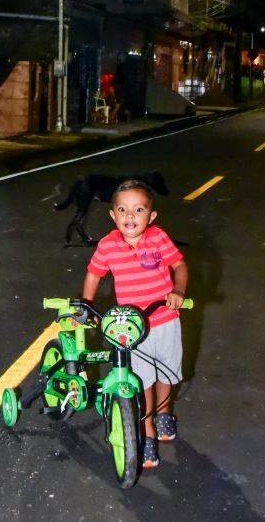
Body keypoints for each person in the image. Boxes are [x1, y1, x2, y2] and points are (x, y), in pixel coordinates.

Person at [81, 180, 188, 470]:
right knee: (142, 380)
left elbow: (179, 265)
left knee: (167, 372)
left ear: (151, 216)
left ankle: (165, 411)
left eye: (138, 209)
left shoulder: (159, 238)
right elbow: (93, 274)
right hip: (131, 327)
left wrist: (178, 290)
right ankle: (148, 429)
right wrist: (87, 303)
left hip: (165, 320)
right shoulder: (107, 245)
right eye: (123, 209)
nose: (130, 216)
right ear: (113, 215)